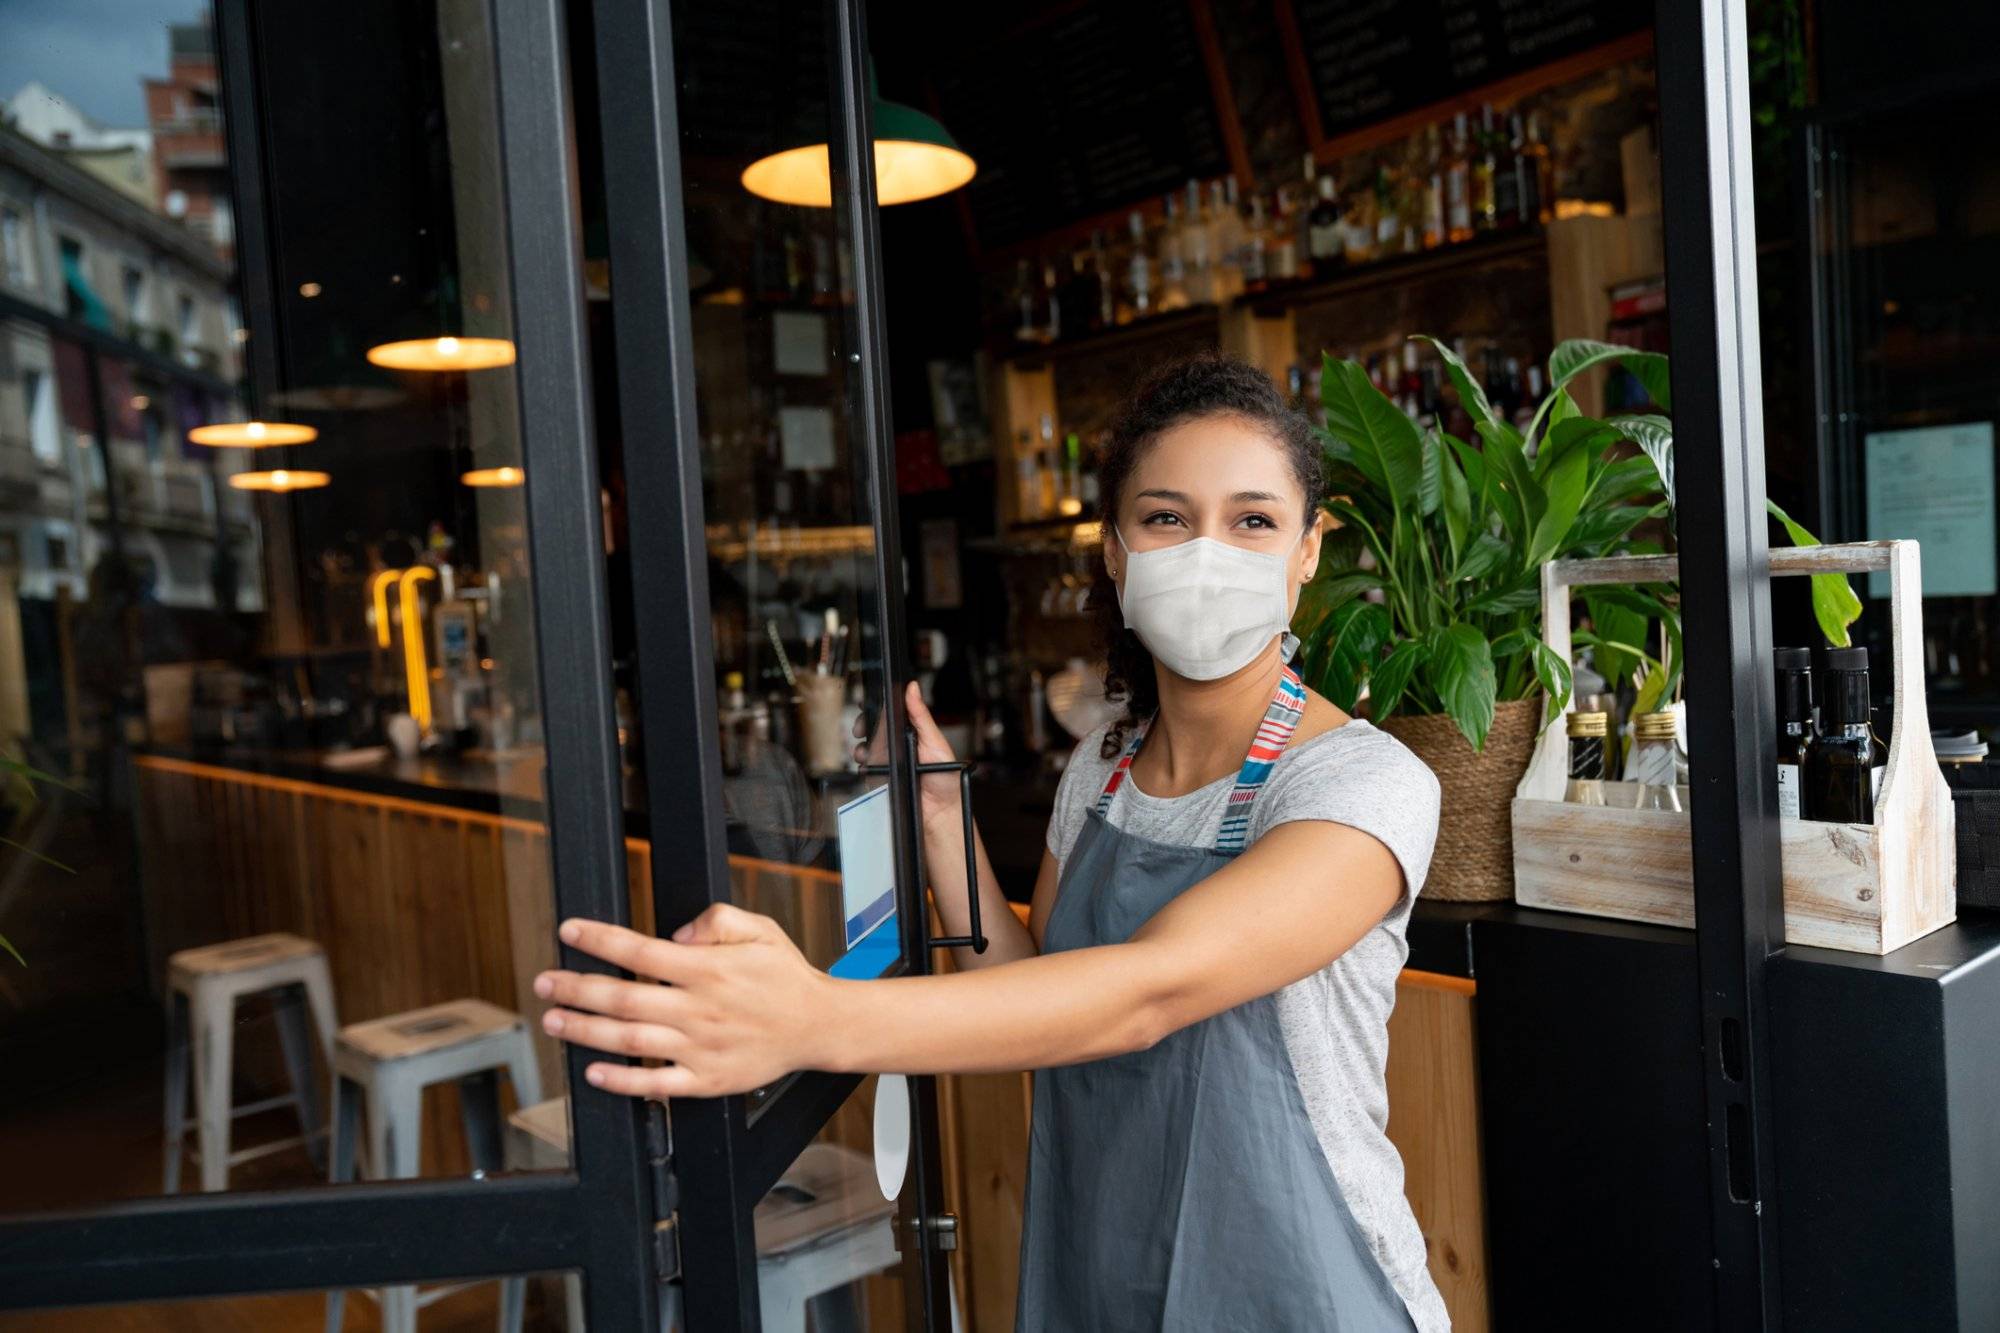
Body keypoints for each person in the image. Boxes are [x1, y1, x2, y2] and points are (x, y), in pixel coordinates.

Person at [535, 354, 1449, 1330]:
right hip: (1100, 1269)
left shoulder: (1360, 783)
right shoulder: (1100, 764)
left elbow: (1149, 990)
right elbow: (1043, 987)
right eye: (1166, 517)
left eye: (1252, 520)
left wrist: (811, 1017)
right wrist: (940, 822)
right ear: (1113, 550)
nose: (1206, 551)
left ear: (1308, 550)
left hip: (1295, 1289)